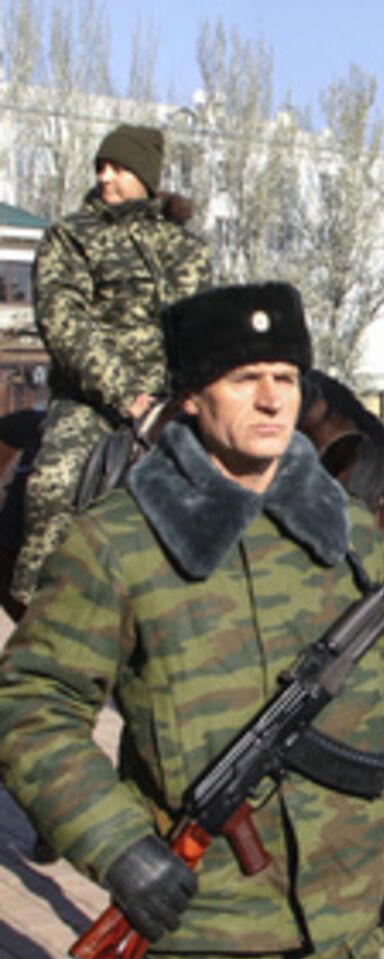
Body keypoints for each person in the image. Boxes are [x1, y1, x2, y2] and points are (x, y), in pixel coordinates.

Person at [0, 283, 384, 959]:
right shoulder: (118, 541)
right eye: (245, 379)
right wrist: (117, 844)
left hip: (347, 921)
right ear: (191, 395)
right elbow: (33, 709)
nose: (272, 400)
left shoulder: (350, 532)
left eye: (286, 378)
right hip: (205, 934)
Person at [13, 122, 211, 606]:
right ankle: (43, 602)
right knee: (54, 482)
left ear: (145, 175)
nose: (105, 177)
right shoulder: (70, 237)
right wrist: (125, 395)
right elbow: (65, 323)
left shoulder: (186, 248)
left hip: (176, 400)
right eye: (101, 166)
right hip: (92, 402)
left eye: (118, 168)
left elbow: (203, 326)